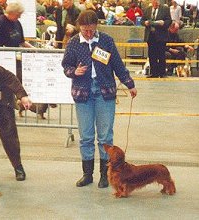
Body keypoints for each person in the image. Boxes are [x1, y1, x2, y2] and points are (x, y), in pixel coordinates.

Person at [61, 10, 137, 188]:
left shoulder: (106, 40)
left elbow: (118, 64)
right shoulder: (73, 43)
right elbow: (66, 65)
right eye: (85, 30)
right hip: (83, 93)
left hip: (105, 93)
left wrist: (129, 84)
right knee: (86, 136)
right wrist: (74, 72)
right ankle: (87, 174)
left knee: (105, 137)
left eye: (91, 30)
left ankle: (105, 174)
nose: (88, 34)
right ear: (80, 27)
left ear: (96, 26)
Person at [141, 0, 172, 78]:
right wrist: (145, 23)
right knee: (152, 55)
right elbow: (142, 20)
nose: (155, 3)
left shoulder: (165, 9)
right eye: (154, 2)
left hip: (161, 36)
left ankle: (162, 73)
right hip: (150, 36)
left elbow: (169, 21)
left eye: (157, 2)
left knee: (161, 54)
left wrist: (164, 23)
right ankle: (153, 73)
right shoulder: (147, 9)